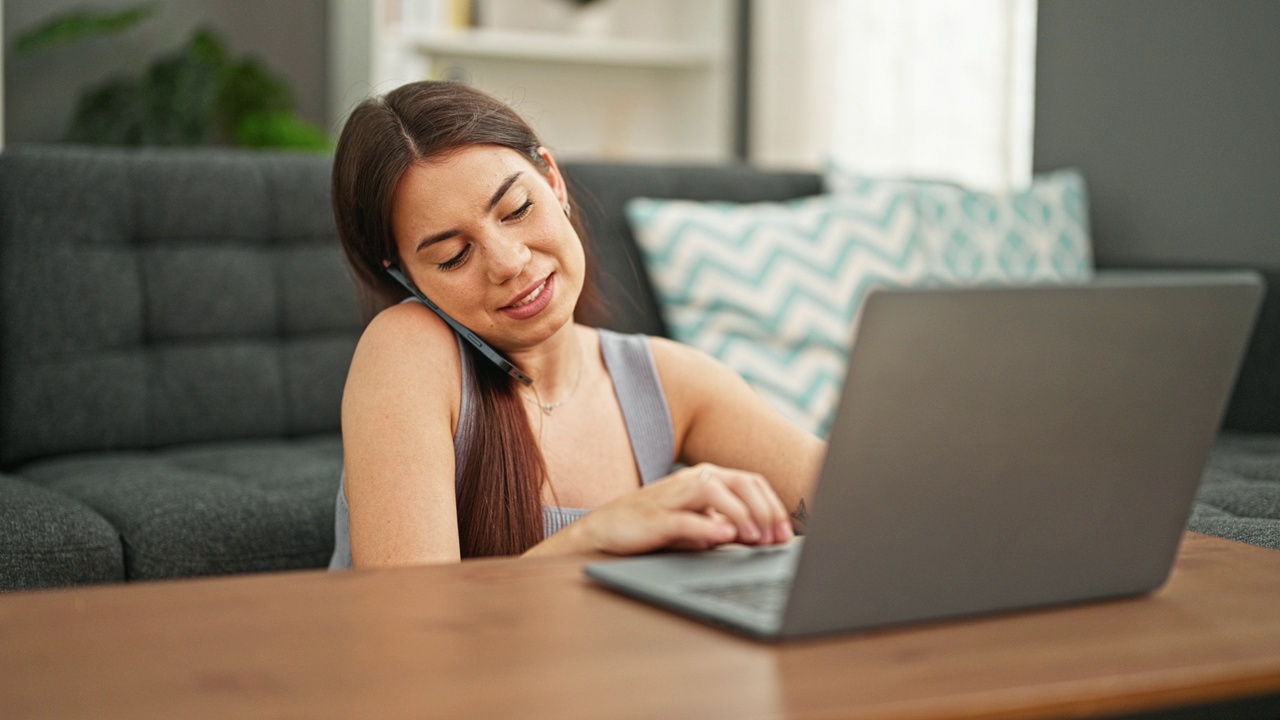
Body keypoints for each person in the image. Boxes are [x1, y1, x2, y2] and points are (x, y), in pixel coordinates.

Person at [329, 80, 825, 567]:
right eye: (454, 256)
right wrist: (595, 538)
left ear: (552, 180)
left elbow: (861, 499)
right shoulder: (406, 351)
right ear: (404, 276)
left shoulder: (659, 380)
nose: (508, 262)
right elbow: (409, 624)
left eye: (517, 209)